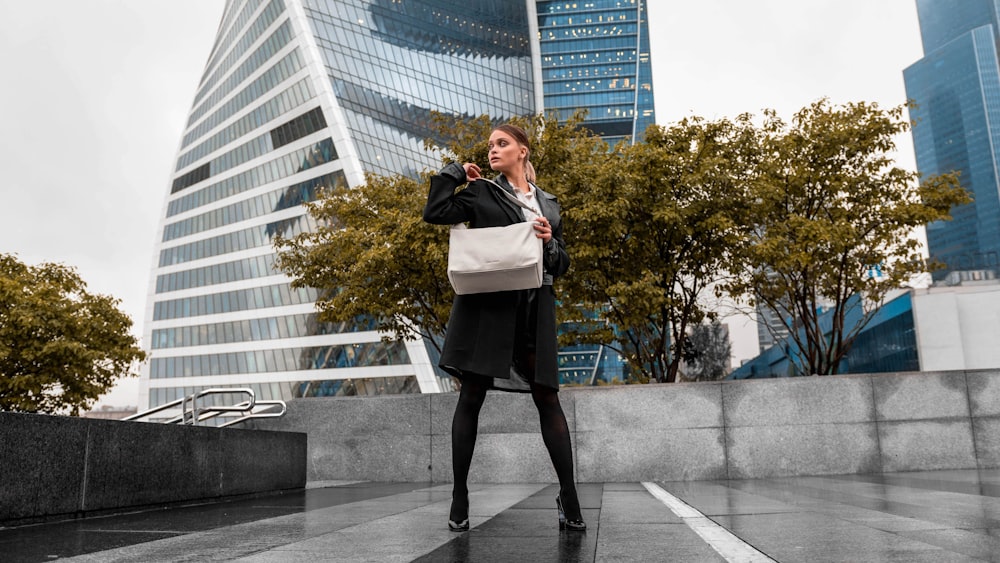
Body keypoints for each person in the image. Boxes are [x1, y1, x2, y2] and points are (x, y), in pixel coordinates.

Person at [423, 123, 586, 532]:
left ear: (523, 151)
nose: (493, 149)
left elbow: (562, 264)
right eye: (491, 145)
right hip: (490, 304)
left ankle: (569, 495)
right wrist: (455, 172)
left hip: (535, 307)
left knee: (547, 397)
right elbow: (436, 212)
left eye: (502, 143)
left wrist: (550, 242)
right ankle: (460, 494)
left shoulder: (549, 203)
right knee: (472, 395)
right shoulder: (483, 192)